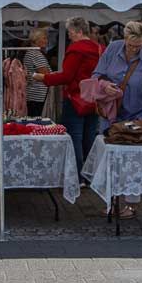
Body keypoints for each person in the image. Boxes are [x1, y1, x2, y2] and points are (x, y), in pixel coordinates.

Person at [92, 20, 142, 219]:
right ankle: (110, 201)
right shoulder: (113, 49)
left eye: (138, 46)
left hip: (136, 115)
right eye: (131, 45)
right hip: (112, 114)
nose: (134, 49)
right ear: (124, 39)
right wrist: (105, 85)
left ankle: (131, 205)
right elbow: (96, 75)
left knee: (133, 162)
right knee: (110, 159)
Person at [33, 17, 102, 181]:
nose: (69, 36)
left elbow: (66, 76)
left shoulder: (76, 49)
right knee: (90, 137)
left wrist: (43, 78)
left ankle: (77, 176)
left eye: (70, 32)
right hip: (94, 100)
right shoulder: (100, 49)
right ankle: (90, 175)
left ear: (78, 32)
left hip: (76, 99)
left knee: (74, 138)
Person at [23, 28, 52, 117]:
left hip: (33, 94)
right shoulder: (36, 54)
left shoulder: (31, 52)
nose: (46, 41)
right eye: (44, 38)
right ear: (36, 40)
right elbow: (46, 75)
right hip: (38, 95)